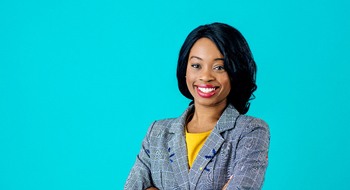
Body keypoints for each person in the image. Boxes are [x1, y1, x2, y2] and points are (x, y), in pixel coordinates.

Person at [124, 22, 270, 190]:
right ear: (185, 70)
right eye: (196, 65)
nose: (206, 76)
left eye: (219, 67)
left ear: (235, 72)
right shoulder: (157, 132)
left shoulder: (250, 131)